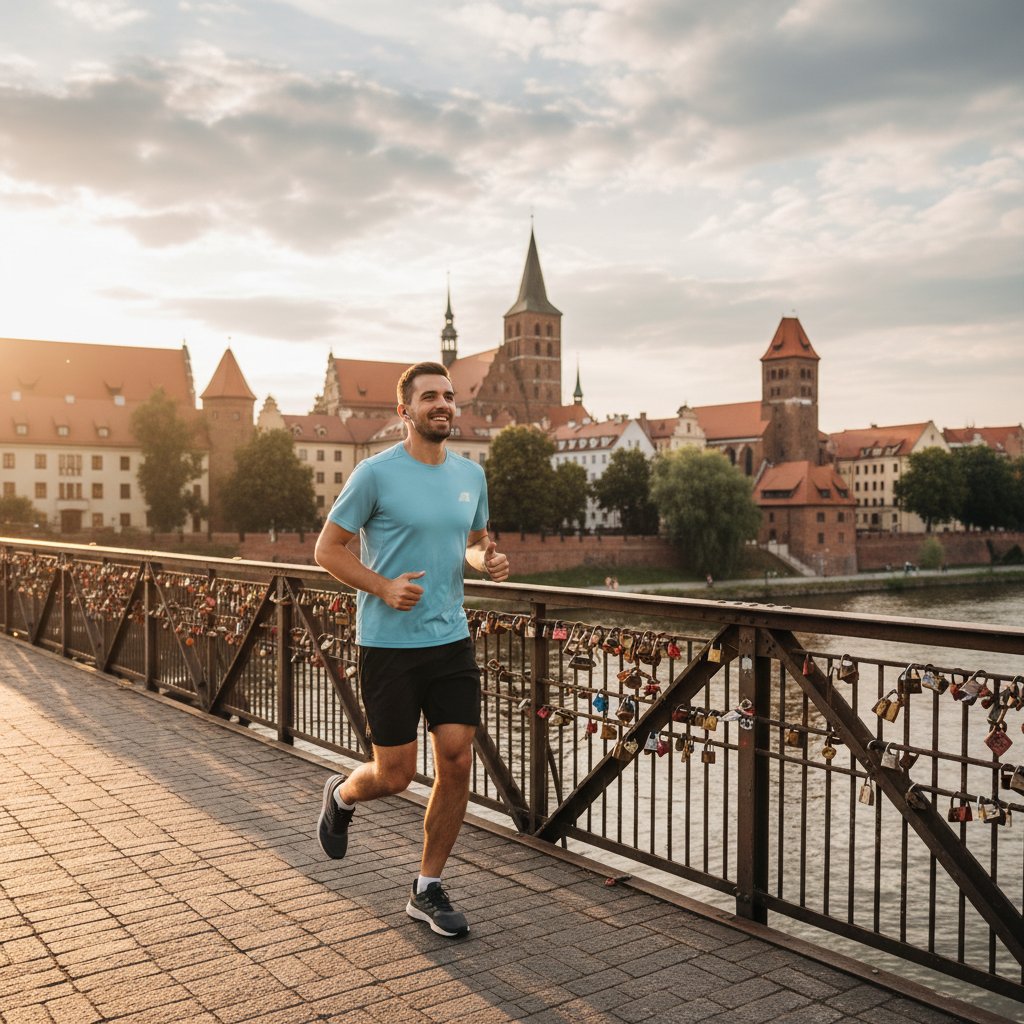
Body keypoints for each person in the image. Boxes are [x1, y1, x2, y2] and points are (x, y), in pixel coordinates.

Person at [313, 361, 509, 939]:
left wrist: (486, 562)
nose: (443, 404)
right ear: (406, 411)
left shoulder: (471, 474)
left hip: (451, 640)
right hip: (388, 645)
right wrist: (382, 585)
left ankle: (427, 888)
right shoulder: (375, 474)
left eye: (449, 396)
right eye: (430, 397)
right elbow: (328, 549)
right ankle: (343, 792)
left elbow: (472, 544)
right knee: (396, 775)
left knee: (456, 759)